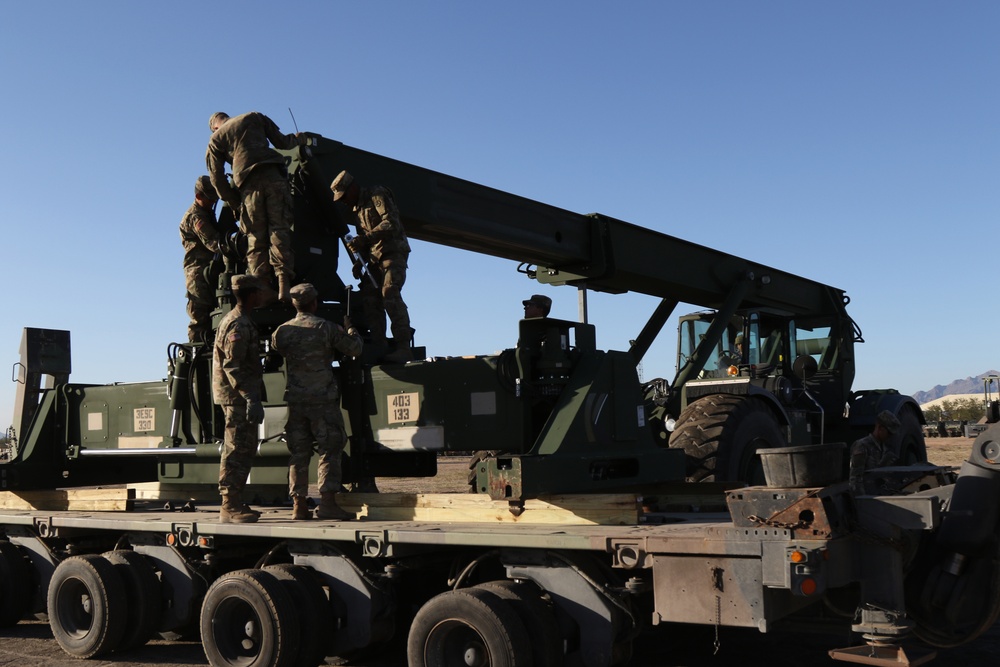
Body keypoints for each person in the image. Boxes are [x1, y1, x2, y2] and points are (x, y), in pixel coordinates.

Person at [271, 283, 362, 520]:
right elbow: (355, 349)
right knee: (330, 448)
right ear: (314, 303)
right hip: (322, 400)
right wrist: (351, 329)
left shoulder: (281, 332)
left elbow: (278, 349)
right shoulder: (326, 328)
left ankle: (298, 506)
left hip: (296, 400)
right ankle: (328, 503)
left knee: (299, 453)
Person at [206, 111, 307, 302]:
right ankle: (284, 283)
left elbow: (217, 179)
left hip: (248, 186)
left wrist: (235, 203)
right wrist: (299, 139)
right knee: (279, 230)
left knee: (255, 238)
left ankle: (263, 288)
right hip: (274, 176)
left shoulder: (215, 139)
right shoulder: (253, 116)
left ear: (215, 127)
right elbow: (283, 143)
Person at [330, 170, 413, 363]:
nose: (343, 201)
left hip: (393, 253)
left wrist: (364, 239)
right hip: (375, 259)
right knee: (369, 296)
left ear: (352, 188)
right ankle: (379, 345)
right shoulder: (356, 211)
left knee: (389, 293)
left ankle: (403, 347)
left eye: (343, 196)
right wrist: (360, 262)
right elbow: (365, 244)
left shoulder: (377, 194)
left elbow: (391, 223)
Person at [213, 274, 266, 523]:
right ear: (251, 294)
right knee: (236, 448)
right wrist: (250, 397)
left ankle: (234, 501)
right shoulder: (238, 324)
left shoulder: (240, 320)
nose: (262, 295)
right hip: (237, 396)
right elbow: (233, 366)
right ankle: (229, 504)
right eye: (258, 291)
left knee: (243, 448)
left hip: (238, 394)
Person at [179, 176, 222, 343]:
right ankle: (196, 353)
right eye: (210, 198)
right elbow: (213, 242)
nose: (213, 202)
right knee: (200, 317)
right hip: (198, 273)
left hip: (210, 270)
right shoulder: (196, 217)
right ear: (198, 196)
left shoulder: (206, 212)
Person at [848, 410, 901, 495]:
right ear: (880, 428)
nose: (891, 436)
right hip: (868, 497)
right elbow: (855, 478)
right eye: (889, 433)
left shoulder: (885, 448)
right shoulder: (862, 446)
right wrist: (862, 500)